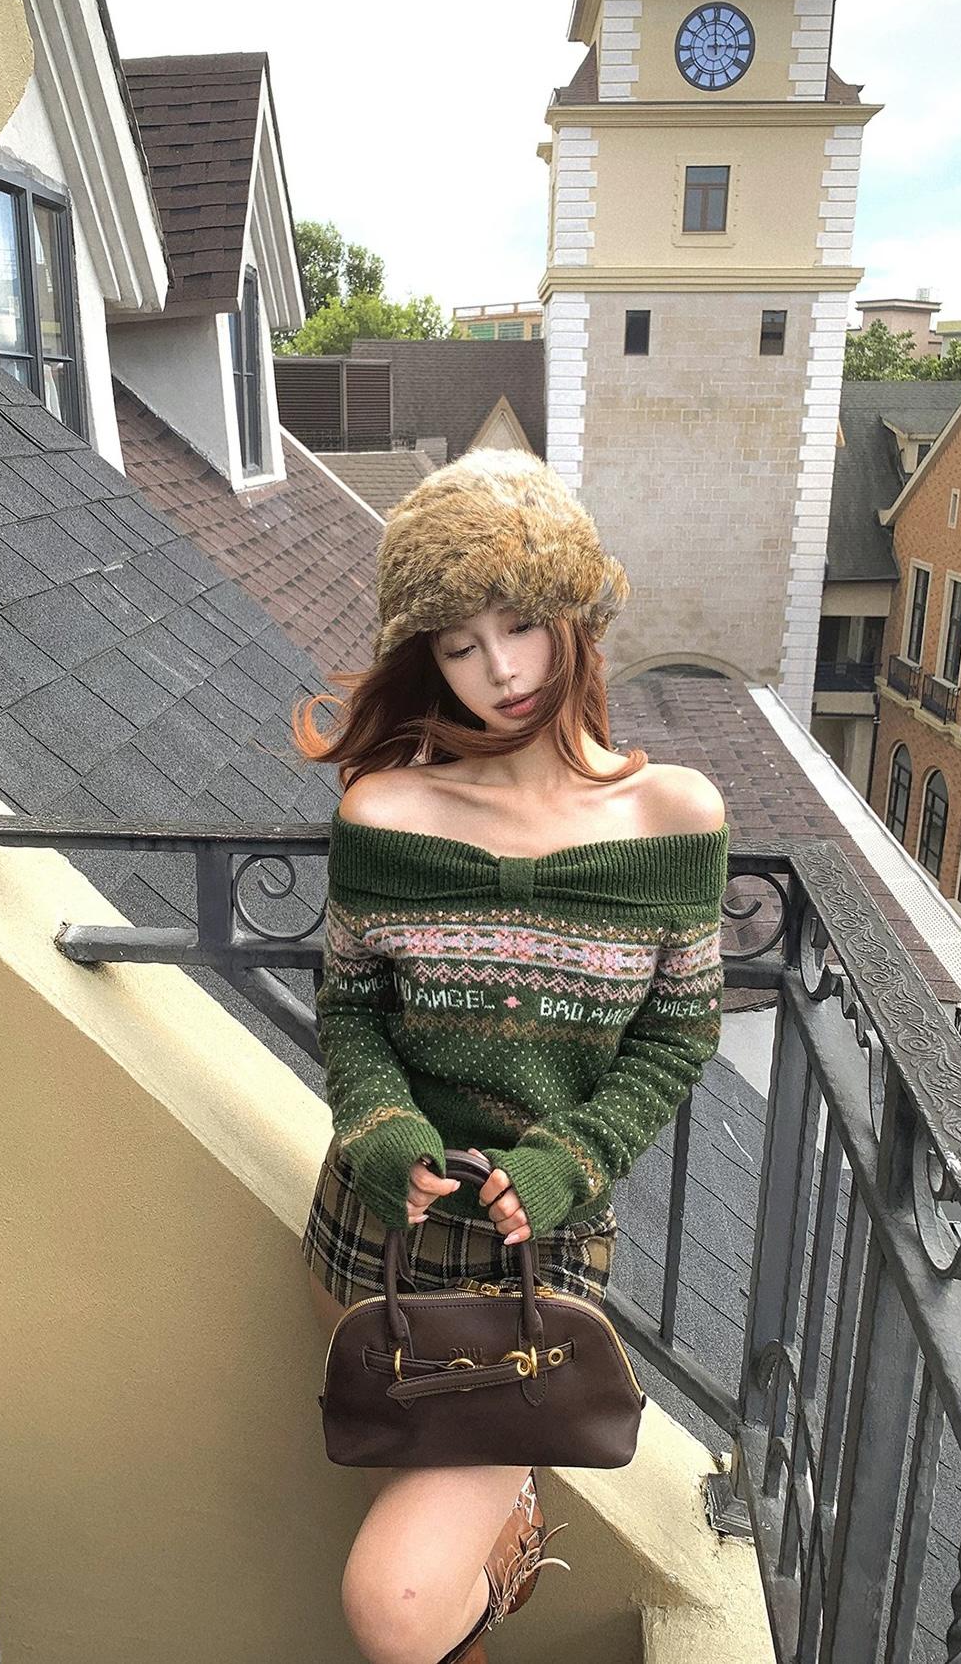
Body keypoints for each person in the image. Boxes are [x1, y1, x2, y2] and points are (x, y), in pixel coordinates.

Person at [290, 447, 728, 1664]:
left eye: (524, 623)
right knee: (418, 1560)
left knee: (396, 1606)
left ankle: (507, 1525)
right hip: (372, 1242)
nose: (504, 672)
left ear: (577, 610)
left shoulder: (675, 817)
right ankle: (497, 1551)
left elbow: (679, 1032)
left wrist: (564, 1164)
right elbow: (351, 1010)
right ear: (426, 658)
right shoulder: (386, 811)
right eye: (459, 645)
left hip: (538, 1260)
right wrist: (384, 1134)